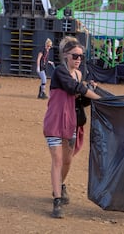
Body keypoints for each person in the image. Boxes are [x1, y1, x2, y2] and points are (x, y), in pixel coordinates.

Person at [42, 36, 101, 219]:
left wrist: (92, 90)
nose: (78, 60)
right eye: (75, 56)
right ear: (66, 56)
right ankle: (57, 201)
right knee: (58, 160)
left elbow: (80, 99)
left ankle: (60, 185)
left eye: (81, 57)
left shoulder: (79, 75)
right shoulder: (60, 71)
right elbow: (73, 88)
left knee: (68, 161)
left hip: (71, 122)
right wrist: (99, 97)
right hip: (55, 121)